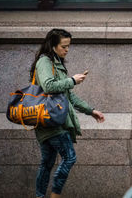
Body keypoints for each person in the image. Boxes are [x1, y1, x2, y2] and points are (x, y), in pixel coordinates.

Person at [31, 29, 105, 198]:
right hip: (52, 120)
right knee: (69, 158)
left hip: (52, 119)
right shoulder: (44, 61)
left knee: (47, 163)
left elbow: (68, 95)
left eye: (68, 46)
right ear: (53, 45)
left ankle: (40, 196)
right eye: (64, 46)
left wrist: (91, 111)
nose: (67, 50)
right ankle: (54, 195)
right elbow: (49, 86)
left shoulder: (56, 62)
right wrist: (72, 80)